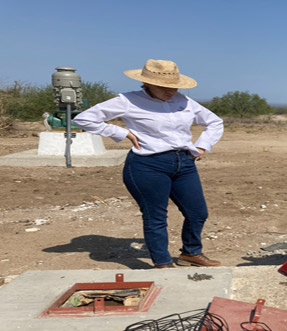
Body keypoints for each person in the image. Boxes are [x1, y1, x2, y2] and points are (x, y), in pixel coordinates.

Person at [73, 59, 224, 269]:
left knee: (198, 213)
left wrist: (202, 146)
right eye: (163, 86)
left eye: (173, 86)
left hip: (184, 163)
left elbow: (215, 122)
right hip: (148, 165)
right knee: (156, 216)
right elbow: (83, 119)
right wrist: (121, 132)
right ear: (147, 83)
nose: (170, 91)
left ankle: (191, 253)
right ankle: (162, 263)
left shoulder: (185, 102)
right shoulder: (127, 101)